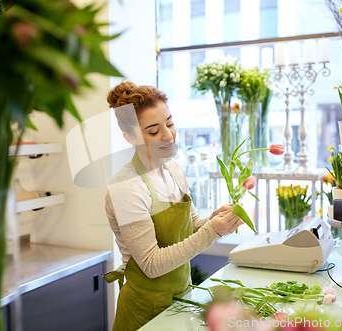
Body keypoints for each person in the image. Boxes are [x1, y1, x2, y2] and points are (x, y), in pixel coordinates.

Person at [103, 81, 244, 331]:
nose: (168, 135)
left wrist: (214, 219)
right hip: (144, 313)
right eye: (153, 131)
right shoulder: (127, 188)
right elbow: (152, 263)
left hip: (180, 300)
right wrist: (213, 231)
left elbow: (190, 227)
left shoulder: (174, 169)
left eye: (169, 123)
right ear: (130, 136)